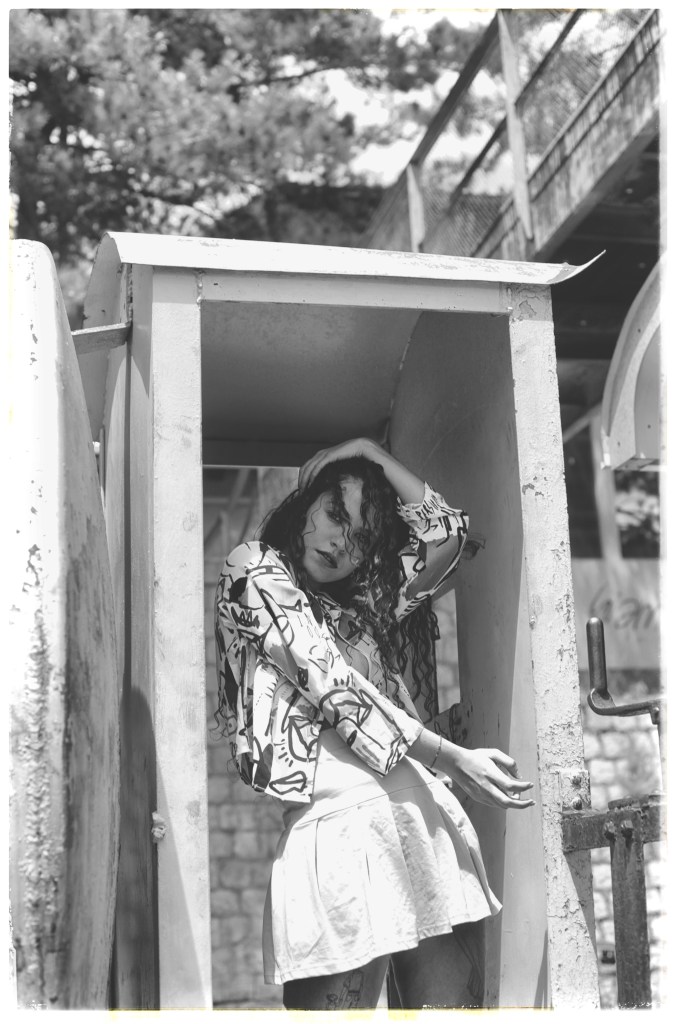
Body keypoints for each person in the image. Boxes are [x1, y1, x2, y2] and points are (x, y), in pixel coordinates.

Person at [214, 437, 534, 1010]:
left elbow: (450, 534)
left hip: (424, 822)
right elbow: (331, 681)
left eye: (361, 539)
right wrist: (452, 756)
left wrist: (369, 452)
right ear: (306, 503)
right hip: (336, 833)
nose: (341, 542)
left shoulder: (370, 604)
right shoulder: (252, 569)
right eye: (335, 514)